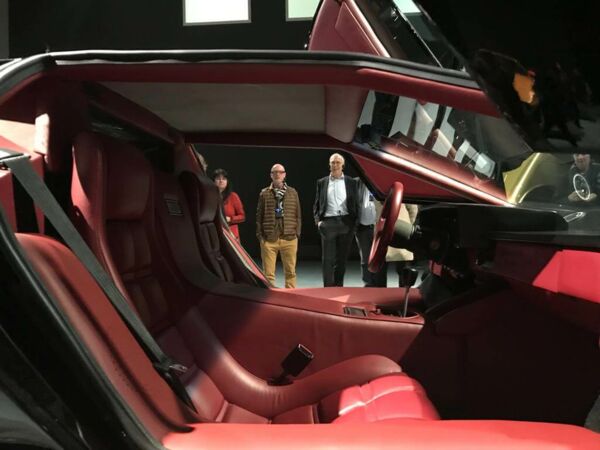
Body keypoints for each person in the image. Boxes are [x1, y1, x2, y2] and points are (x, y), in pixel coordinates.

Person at [313, 153, 359, 287]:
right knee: (327, 259)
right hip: (328, 223)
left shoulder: (351, 182)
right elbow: (316, 203)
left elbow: (356, 203)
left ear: (342, 165)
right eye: (332, 162)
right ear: (329, 165)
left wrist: (354, 223)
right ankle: (328, 288)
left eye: (338, 162)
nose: (335, 165)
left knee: (342, 258)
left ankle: (338, 286)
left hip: (346, 223)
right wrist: (318, 221)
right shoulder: (322, 182)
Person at [256, 163, 301, 288]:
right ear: (271, 175)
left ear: (284, 175)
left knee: (291, 273)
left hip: (289, 237)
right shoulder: (264, 193)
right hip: (269, 239)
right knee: (268, 275)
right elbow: (259, 216)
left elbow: (298, 215)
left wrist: (297, 233)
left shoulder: (293, 192)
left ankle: (291, 296)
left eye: (280, 172)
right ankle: (271, 297)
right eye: (274, 172)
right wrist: (260, 236)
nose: (277, 174)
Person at [374, 202, 419, 287]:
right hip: (383, 233)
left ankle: (403, 292)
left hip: (400, 232)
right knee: (380, 270)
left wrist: (407, 227)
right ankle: (382, 292)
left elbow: (413, 209)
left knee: (403, 269)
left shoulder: (402, 193)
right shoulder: (378, 195)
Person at [354, 178, 378, 287]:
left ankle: (379, 283)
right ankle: (368, 283)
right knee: (365, 257)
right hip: (362, 227)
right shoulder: (356, 183)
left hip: (378, 227)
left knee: (379, 257)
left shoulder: (380, 183)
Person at [213, 169, 245, 240]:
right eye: (218, 179)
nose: (221, 181)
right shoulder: (209, 196)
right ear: (213, 181)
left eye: (224, 179)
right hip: (215, 233)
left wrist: (230, 219)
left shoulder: (233, 196)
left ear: (227, 181)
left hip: (231, 235)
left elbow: (242, 216)